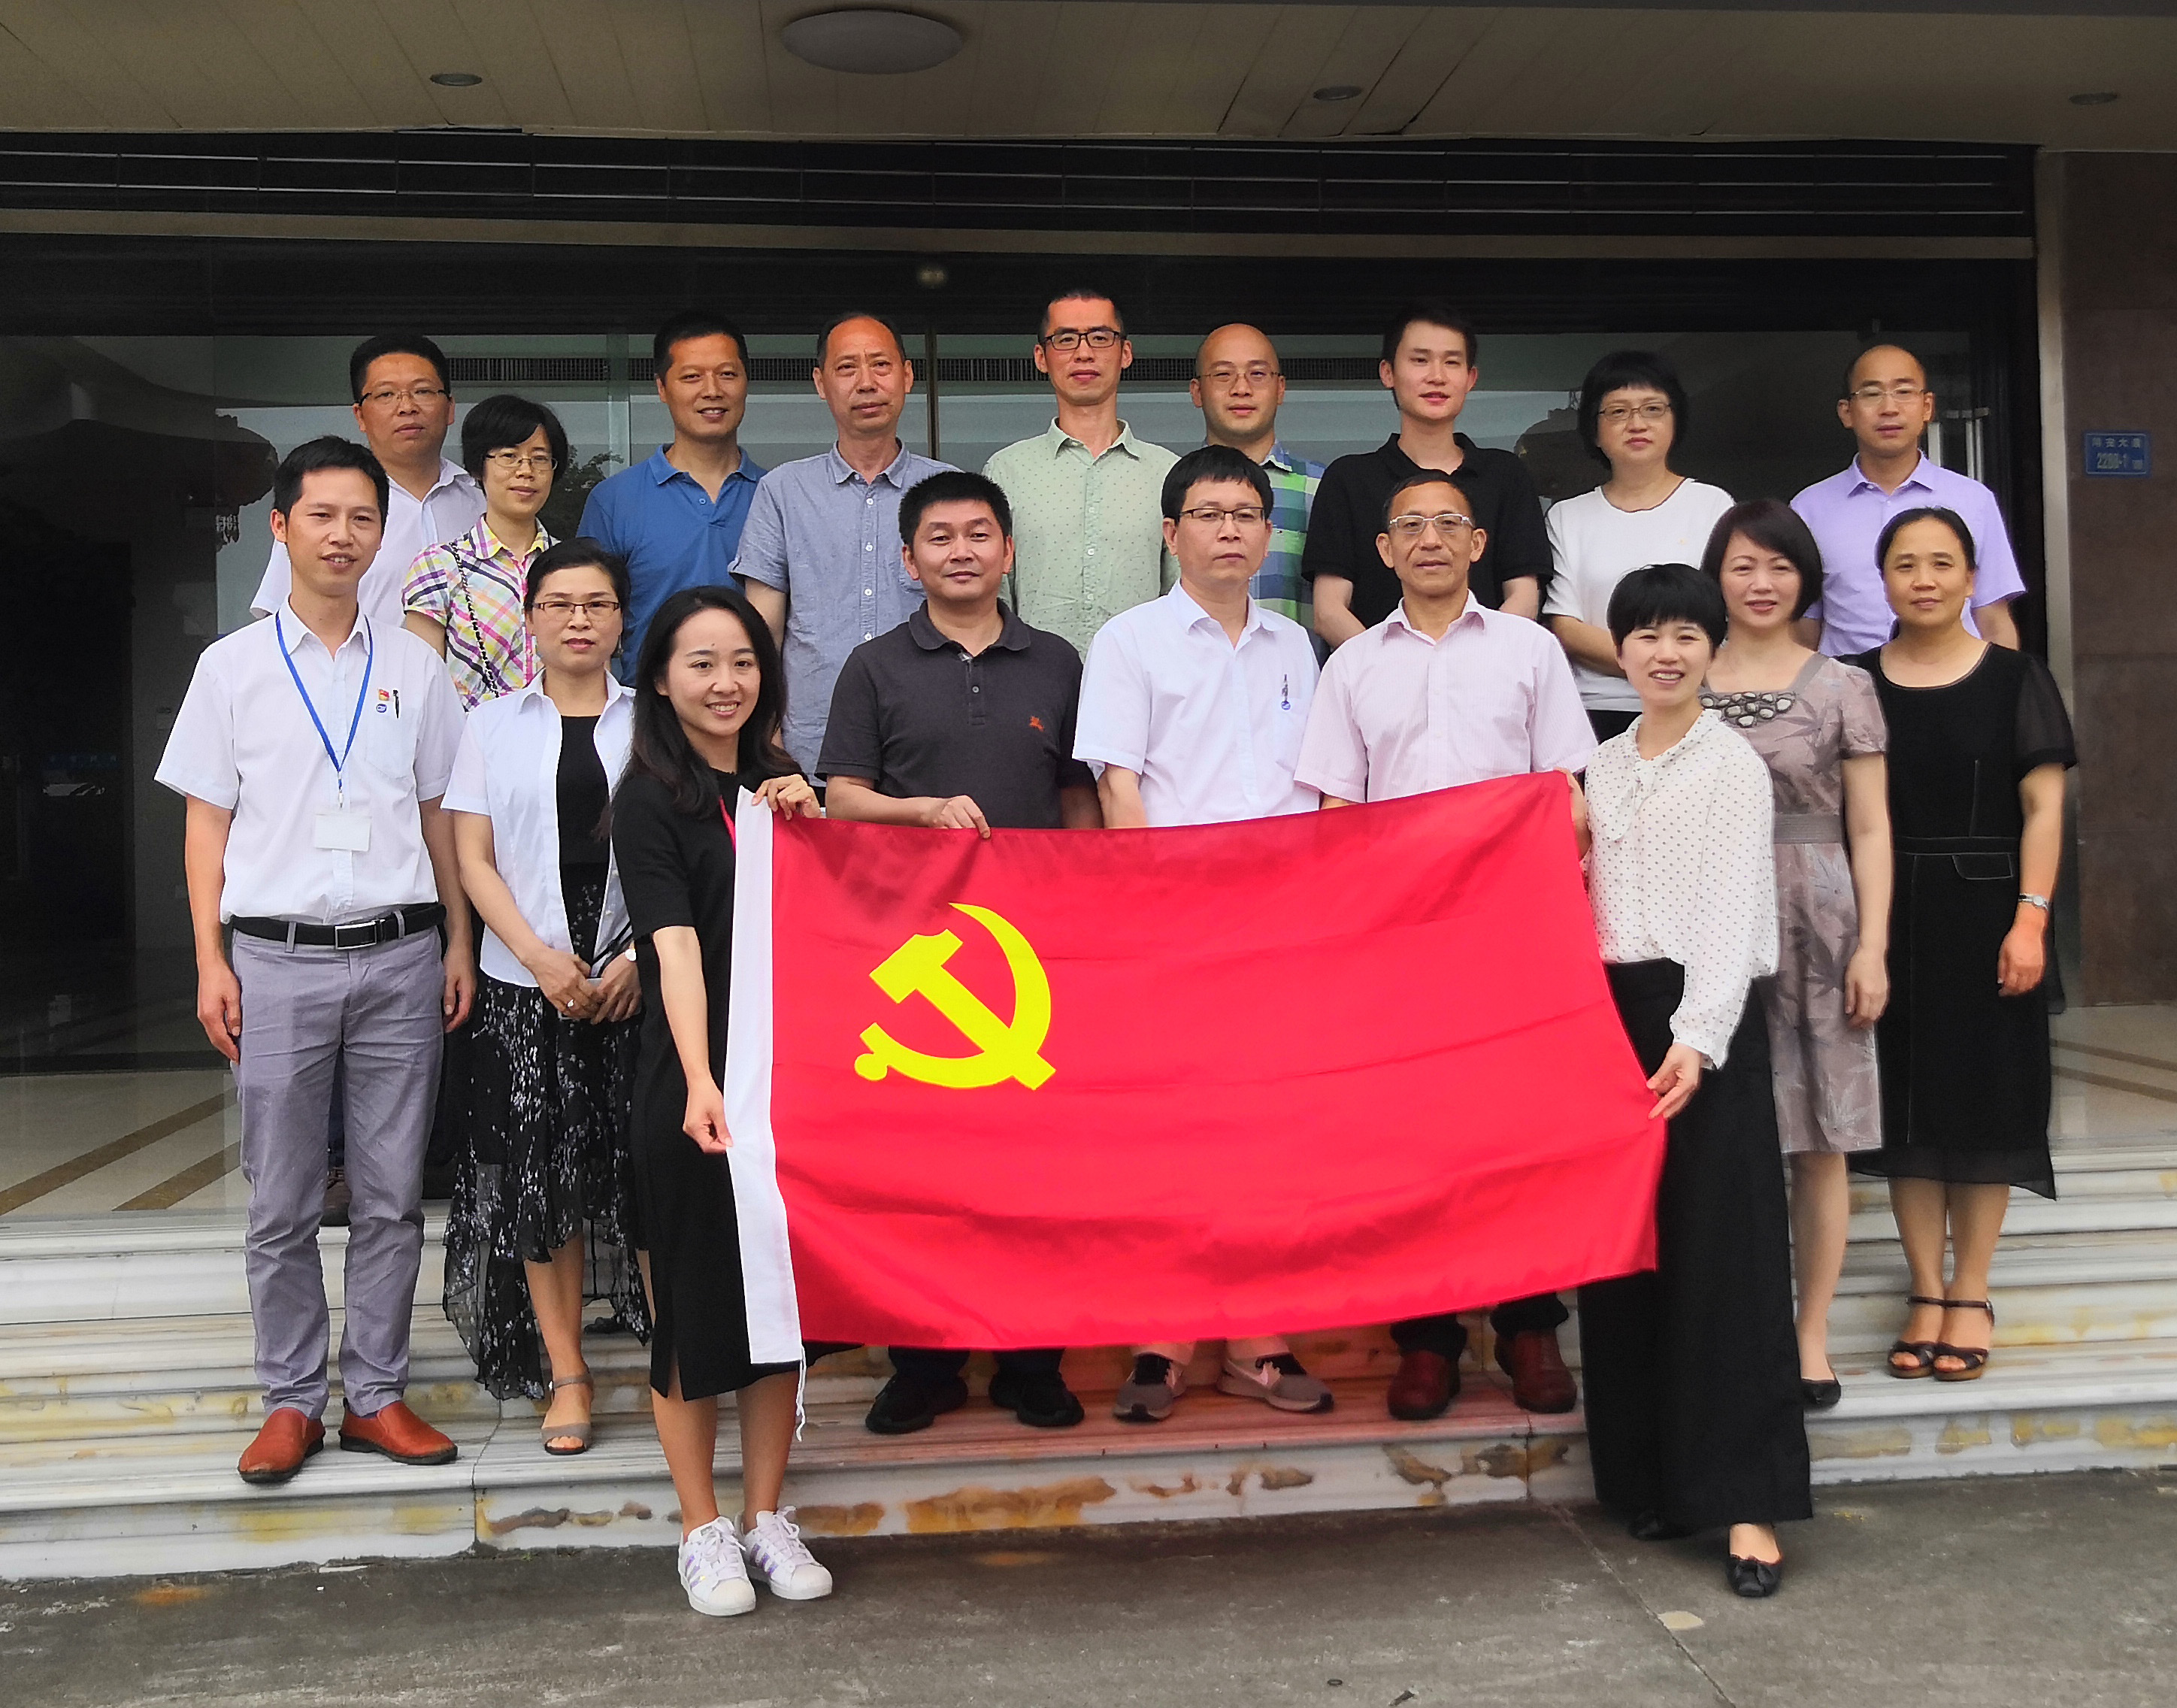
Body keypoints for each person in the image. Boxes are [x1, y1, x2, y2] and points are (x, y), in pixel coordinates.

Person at [157, 437, 474, 1486]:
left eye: (363, 519)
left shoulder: (415, 668)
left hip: (400, 955)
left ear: (383, 538)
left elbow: (439, 813)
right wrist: (209, 960)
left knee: (390, 1195)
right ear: (281, 528)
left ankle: (376, 1395)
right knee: (283, 1199)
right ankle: (291, 1400)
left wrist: (458, 940)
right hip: (277, 960)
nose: (343, 536)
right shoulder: (231, 668)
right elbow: (206, 824)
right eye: (323, 516)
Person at [1294, 471, 1594, 1421]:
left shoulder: (1530, 651)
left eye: (1448, 523)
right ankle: (1426, 1339)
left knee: (1521, 1134)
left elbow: (1568, 794)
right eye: (1410, 526)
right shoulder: (1352, 666)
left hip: (1512, 935)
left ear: (1477, 544)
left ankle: (1529, 1324)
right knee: (1413, 1141)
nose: (1430, 539)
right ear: (1384, 551)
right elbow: (1336, 813)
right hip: (1399, 943)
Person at [820, 471, 1101, 1435]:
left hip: (1037, 957)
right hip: (914, 958)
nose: (961, 552)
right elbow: (842, 797)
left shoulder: (1057, 661)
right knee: (922, 1173)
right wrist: (924, 811)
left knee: (1039, 1170)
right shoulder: (872, 666)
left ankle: (1032, 1361)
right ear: (909, 560)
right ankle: (926, 1362)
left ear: (1008, 551)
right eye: (938, 538)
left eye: (979, 534)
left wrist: (1089, 913)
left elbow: (1078, 799)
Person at [1074, 444, 1330, 1423]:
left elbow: (1313, 786)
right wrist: (1155, 914)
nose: (1229, 530)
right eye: (1209, 514)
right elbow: (1118, 787)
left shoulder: (1294, 646)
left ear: (1268, 535)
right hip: (1174, 923)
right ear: (1170, 532)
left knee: (1268, 1136)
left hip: (1279, 926)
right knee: (1170, 1133)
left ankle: (1260, 1340)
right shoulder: (1129, 641)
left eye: (1245, 515)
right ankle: (1164, 1341)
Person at [1579, 562, 1809, 1599]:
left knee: (1726, 1262)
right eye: (1646, 635)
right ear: (1619, 650)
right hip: (1611, 1022)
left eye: (1685, 636)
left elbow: (1733, 908)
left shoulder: (1731, 766)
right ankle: (1656, 1480)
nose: (1664, 653)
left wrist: (1699, 1035)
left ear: (1712, 650)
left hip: (1701, 1019)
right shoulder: (1600, 765)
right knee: (1629, 1262)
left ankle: (1748, 1506)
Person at [610, 583, 834, 1616]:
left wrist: (814, 822)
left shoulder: (782, 783)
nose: (724, 681)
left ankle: (766, 1515)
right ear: (661, 679)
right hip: (696, 1080)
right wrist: (701, 1080)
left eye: (742, 661)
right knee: (693, 1313)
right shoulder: (649, 796)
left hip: (790, 1079)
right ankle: (700, 1528)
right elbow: (675, 950)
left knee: (779, 1310)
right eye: (700, 663)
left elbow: (834, 922)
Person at [1843, 507, 2073, 1386]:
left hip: (1989, 915)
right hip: (1889, 914)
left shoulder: (2015, 676)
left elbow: (2043, 808)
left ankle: (1970, 1290)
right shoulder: (1855, 681)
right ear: (1882, 580)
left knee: (1986, 1104)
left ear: (1972, 578)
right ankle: (1924, 1287)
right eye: (1905, 564)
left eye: (1942, 563)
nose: (1924, 579)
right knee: (1907, 1110)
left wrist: (2031, 918)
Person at [441, 541, 647, 1455]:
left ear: (621, 619)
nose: (577, 620)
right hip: (527, 989)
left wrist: (638, 955)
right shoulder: (489, 726)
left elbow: (692, 850)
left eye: (596, 604)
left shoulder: (658, 721)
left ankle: (676, 1358)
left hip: (638, 986)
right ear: (529, 620)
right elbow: (471, 859)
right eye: (558, 603)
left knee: (648, 1174)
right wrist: (538, 957)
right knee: (540, 1181)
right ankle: (568, 1372)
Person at [1697, 501, 1893, 1411]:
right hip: (1712, 921)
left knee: (1820, 1139)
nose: (1761, 583)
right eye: (1742, 566)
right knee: (1726, 1136)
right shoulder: (1684, 676)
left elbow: (1870, 827)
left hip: (1819, 919)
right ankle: (1740, 1328)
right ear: (1716, 576)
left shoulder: (1844, 685)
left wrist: (1873, 946)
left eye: (1778, 566)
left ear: (1805, 578)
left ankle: (1810, 1334)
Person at [736, 311, 951, 776]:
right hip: (809, 750)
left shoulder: (949, 491)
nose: (866, 383)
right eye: (847, 368)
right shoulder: (783, 491)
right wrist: (768, 742)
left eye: (881, 365)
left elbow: (976, 621)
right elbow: (761, 635)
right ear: (821, 383)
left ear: (907, 376)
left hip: (931, 747)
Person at [1302, 299, 1549, 647]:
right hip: (1378, 675)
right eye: (1420, 360)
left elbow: (1523, 598)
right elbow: (1329, 611)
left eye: (1452, 362)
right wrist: (1392, 668)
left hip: (1487, 673)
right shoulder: (1348, 479)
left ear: (1471, 378)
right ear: (1388, 373)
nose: (1437, 376)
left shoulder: (1506, 475)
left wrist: (1474, 665)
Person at [1543, 350, 1736, 741]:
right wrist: (1659, 665)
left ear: (1675, 420)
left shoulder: (1713, 506)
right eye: (1618, 412)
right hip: (1596, 711)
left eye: (1653, 409)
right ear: (1594, 430)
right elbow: (1565, 626)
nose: (1637, 424)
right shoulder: (1567, 516)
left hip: (1694, 708)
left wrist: (1665, 671)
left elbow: (1730, 616)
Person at [1792, 345, 2026, 657]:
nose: (1889, 408)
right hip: (1846, 682)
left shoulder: (1974, 500)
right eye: (1872, 394)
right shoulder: (1809, 508)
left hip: (1954, 680)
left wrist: (2003, 683)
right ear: (1847, 412)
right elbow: (1803, 627)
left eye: (1903, 392)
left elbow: (1993, 619)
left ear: (1927, 407)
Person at [985, 287, 1179, 657]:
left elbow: (1182, 598)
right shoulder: (1006, 471)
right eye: (1066, 339)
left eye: (1100, 338)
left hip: (1142, 679)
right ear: (1041, 357)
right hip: (1032, 680)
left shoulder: (1167, 472)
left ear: (1126, 353)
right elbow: (994, 601)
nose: (1084, 353)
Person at [250, 334, 483, 633]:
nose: (406, 407)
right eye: (386, 395)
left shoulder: (484, 503)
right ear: (359, 415)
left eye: (423, 391)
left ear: (450, 408)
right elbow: (278, 621)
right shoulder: (324, 510)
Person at [579, 309, 768, 673]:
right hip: (645, 702)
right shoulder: (615, 500)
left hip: (750, 701)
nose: (712, 391)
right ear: (662, 388)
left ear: (747, 381)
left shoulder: (779, 497)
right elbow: (591, 621)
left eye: (727, 374)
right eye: (692, 377)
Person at [402, 393, 569, 708]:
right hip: (468, 736)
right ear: (479, 467)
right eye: (509, 456)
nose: (526, 471)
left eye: (540, 458)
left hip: (561, 735)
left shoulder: (573, 567)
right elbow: (420, 685)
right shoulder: (439, 566)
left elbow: (595, 675)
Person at [1191, 323, 1322, 634]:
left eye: (1258, 374)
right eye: (1223, 374)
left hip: (1298, 665)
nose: (1242, 388)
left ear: (1280, 388)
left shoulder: (1321, 489)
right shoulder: (1174, 488)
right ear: (1197, 392)